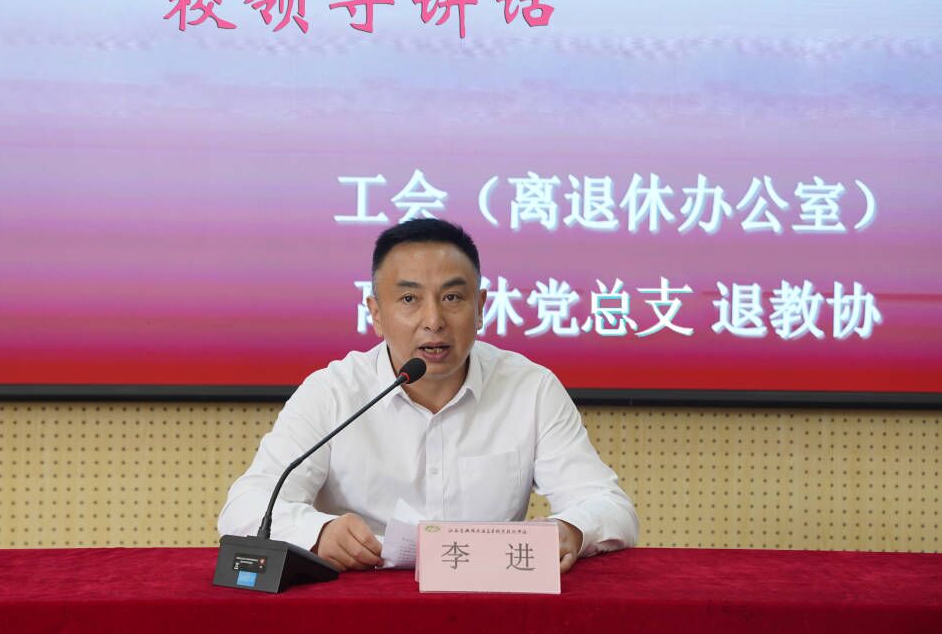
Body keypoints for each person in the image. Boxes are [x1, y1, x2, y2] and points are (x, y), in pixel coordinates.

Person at [218, 219, 638, 573]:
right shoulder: (332, 393)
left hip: (488, 602)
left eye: (452, 298)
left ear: (481, 308)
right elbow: (245, 508)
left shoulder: (530, 389)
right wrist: (318, 532)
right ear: (376, 314)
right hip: (361, 607)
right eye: (409, 299)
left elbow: (608, 505)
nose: (434, 320)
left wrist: (571, 530)